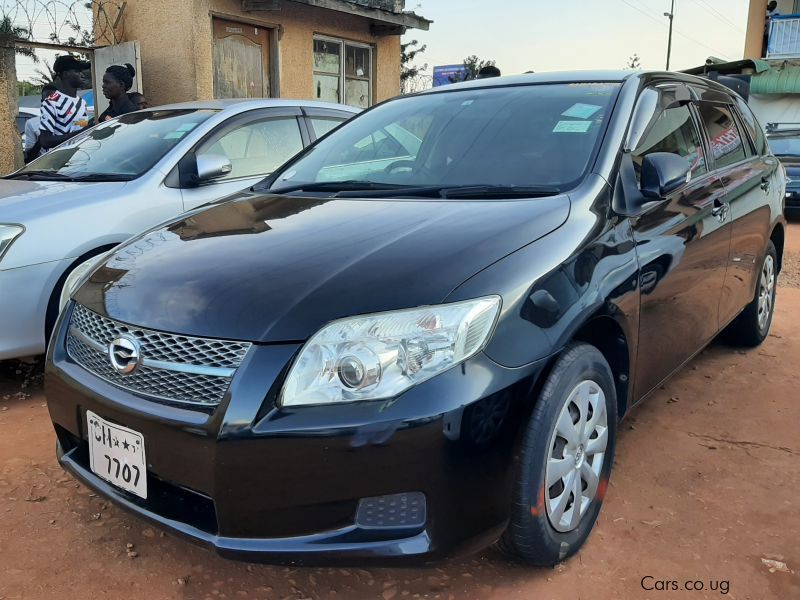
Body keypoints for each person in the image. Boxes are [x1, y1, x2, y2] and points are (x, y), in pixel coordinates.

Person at [38, 55, 91, 153]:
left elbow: (79, 126)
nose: (82, 75)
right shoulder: (51, 102)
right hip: (58, 162)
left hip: (79, 158)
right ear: (65, 74)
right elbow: (45, 141)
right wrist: (80, 133)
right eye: (77, 71)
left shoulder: (82, 103)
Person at [23, 84, 57, 163]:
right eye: (48, 101)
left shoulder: (69, 122)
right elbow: (29, 156)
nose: (52, 104)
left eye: (55, 100)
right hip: (45, 168)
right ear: (42, 102)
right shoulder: (32, 123)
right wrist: (41, 141)